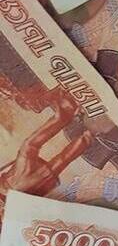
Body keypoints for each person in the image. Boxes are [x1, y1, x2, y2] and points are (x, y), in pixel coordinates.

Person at [0, 88, 93, 218]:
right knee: (33, 149)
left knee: (52, 158)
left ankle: (84, 130)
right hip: (16, 188)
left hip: (13, 186)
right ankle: (81, 126)